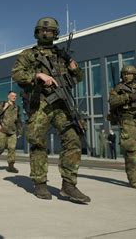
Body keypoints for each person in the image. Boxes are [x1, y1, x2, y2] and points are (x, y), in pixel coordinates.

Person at [12, 17, 91, 203]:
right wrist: (38, 75)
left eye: (49, 31)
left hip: (63, 105)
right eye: (42, 31)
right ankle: (40, 183)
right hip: (41, 104)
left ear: (55, 34)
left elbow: (78, 76)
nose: (46, 33)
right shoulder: (28, 54)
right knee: (38, 142)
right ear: (37, 33)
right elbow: (16, 73)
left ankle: (69, 185)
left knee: (73, 140)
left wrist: (73, 65)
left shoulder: (62, 56)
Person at [0, 91, 22, 173]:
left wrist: (20, 131)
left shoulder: (17, 107)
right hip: (2, 130)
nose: (14, 97)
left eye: (15, 96)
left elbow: (18, 120)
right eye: (12, 95)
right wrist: (4, 107)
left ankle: (11, 166)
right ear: (8, 96)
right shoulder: (3, 104)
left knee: (12, 148)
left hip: (12, 132)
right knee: (1, 147)